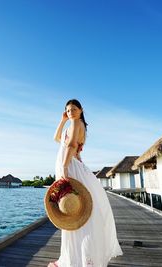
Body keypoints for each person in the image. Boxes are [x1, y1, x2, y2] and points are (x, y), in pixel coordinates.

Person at [49, 99, 123, 267]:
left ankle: (79, 259)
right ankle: (80, 257)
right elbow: (57, 139)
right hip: (70, 164)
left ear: (81, 110)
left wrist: (65, 168)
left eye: (74, 109)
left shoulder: (76, 123)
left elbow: (71, 145)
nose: (70, 113)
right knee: (77, 211)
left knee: (74, 211)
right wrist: (62, 121)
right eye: (67, 110)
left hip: (69, 166)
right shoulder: (73, 123)